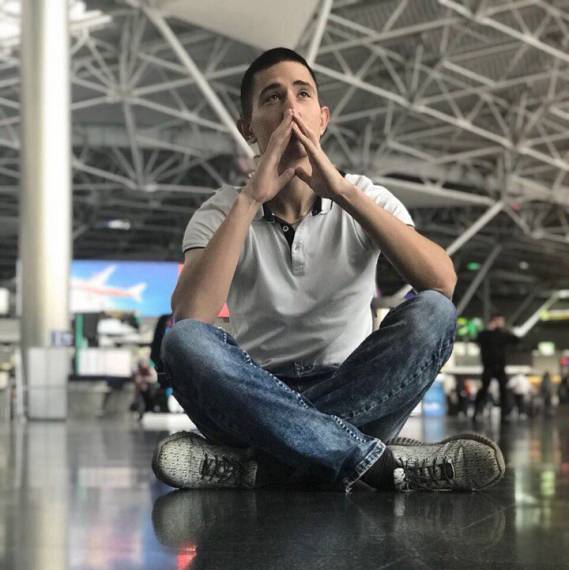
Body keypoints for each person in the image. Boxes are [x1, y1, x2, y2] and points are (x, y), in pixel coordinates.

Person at [152, 48, 505, 493]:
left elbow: (442, 283)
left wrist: (340, 191)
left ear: (322, 119)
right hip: (253, 389)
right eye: (272, 98)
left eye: (302, 94)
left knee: (434, 312)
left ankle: (258, 464)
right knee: (183, 339)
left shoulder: (363, 194)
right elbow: (193, 315)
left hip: (354, 385)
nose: (290, 108)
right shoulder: (222, 210)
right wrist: (250, 199)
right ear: (248, 128)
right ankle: (379, 464)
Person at [473, 314, 519, 421]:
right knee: (484, 389)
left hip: (500, 366)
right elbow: (477, 339)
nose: (500, 323)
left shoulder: (504, 334)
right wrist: (489, 329)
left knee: (503, 390)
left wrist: (507, 330)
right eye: (498, 321)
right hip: (488, 366)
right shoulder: (485, 334)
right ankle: (477, 411)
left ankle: (504, 414)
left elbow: (516, 340)